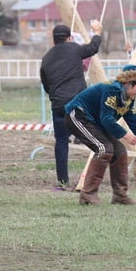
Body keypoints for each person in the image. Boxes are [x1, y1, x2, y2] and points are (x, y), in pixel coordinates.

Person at [64, 64, 136, 205]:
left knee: (120, 151)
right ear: (128, 83)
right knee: (104, 149)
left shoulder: (128, 97)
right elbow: (106, 118)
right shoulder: (112, 90)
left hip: (94, 121)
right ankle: (88, 195)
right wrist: (125, 135)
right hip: (78, 115)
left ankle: (120, 195)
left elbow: (134, 121)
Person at [40, 20, 103, 191]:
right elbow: (92, 48)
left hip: (58, 105)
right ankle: (95, 176)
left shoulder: (46, 58)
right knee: (91, 137)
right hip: (77, 102)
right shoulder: (75, 49)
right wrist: (97, 32)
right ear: (69, 38)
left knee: (61, 142)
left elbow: (46, 85)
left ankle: (62, 181)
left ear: (54, 40)